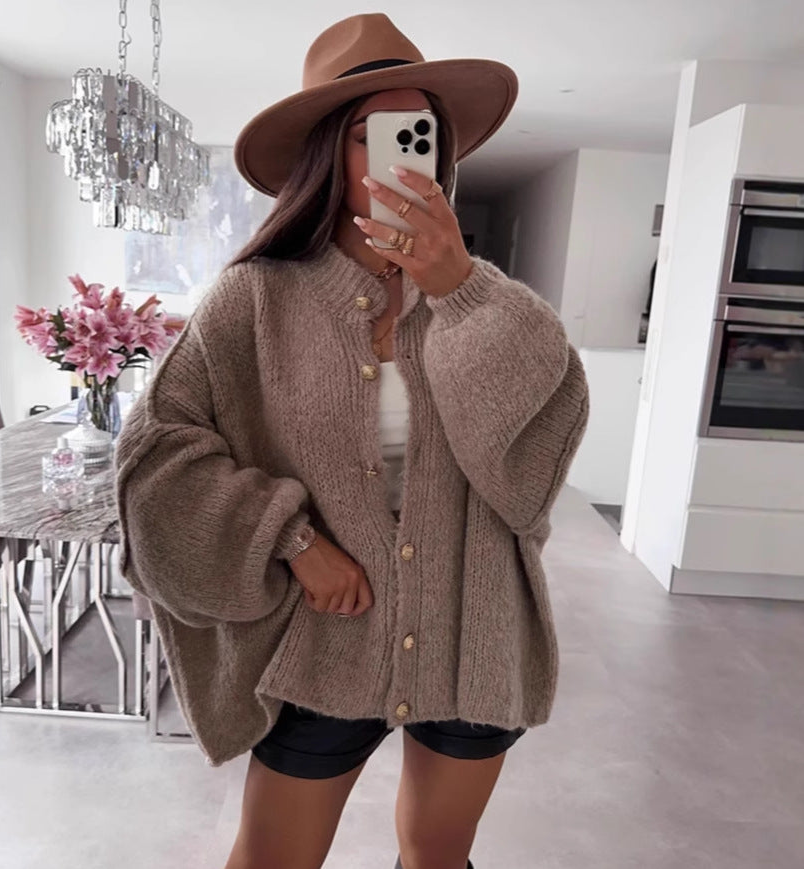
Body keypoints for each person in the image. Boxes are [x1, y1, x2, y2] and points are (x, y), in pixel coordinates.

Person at [114, 13, 589, 869]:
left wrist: (458, 292)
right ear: (328, 151)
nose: (404, 152)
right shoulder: (254, 300)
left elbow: (528, 472)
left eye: (420, 131)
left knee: (436, 855)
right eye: (376, 132)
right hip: (328, 637)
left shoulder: (494, 303)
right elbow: (155, 456)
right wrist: (290, 539)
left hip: (474, 629)